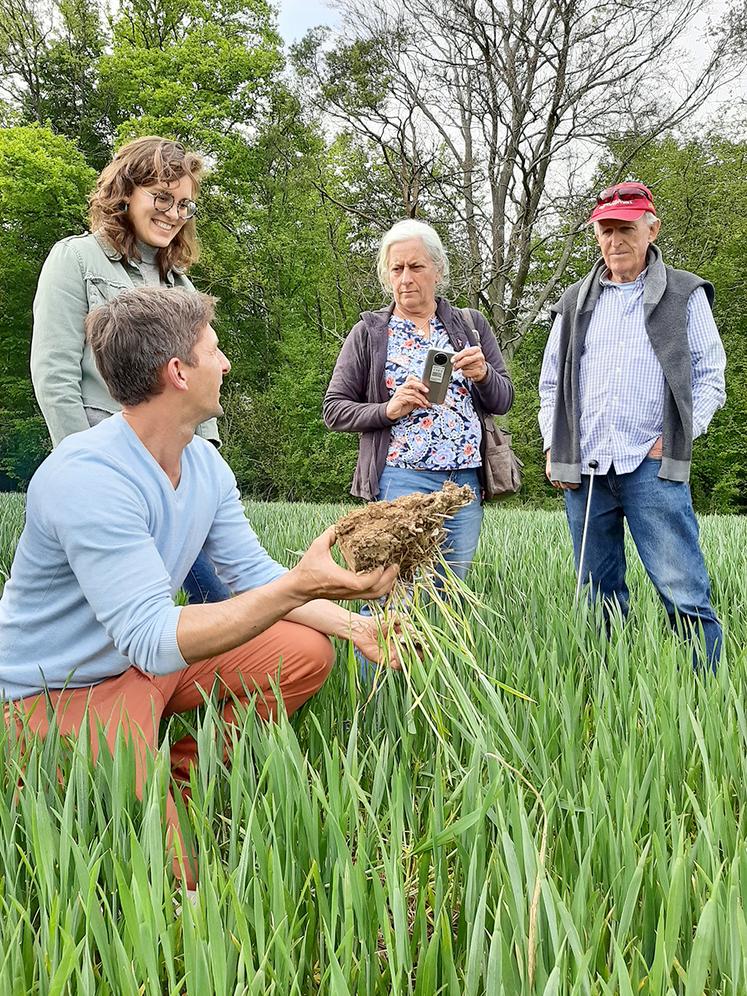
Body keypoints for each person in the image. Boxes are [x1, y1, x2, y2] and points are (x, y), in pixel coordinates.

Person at [1, 287, 400, 888]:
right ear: (178, 372)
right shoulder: (87, 476)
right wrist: (298, 587)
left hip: (143, 665)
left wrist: (356, 624)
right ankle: (87, 774)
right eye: (215, 350)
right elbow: (154, 639)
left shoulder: (206, 464)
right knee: (171, 882)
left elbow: (253, 576)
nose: (227, 364)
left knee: (305, 654)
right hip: (60, 689)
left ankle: (183, 776)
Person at [30, 135, 227, 604]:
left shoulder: (180, 284)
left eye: (185, 205)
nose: (174, 214)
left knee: (218, 594)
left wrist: (208, 462)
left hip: (173, 474)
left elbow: (196, 381)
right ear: (125, 193)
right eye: (162, 197)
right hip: (109, 469)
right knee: (89, 610)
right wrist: (80, 468)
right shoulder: (75, 258)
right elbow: (53, 374)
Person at [539, 181, 726, 666]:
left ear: (651, 229)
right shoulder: (574, 300)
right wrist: (552, 447)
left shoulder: (685, 292)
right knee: (596, 594)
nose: (615, 239)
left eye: (626, 228)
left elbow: (710, 378)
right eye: (606, 229)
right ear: (596, 235)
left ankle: (705, 694)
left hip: (652, 464)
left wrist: (678, 437)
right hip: (587, 469)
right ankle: (610, 691)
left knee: (682, 590)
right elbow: (551, 385)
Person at [323, 219, 514, 580]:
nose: (406, 278)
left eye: (416, 267)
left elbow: (504, 399)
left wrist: (484, 374)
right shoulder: (370, 333)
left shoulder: (469, 324)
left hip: (463, 483)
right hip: (400, 479)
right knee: (390, 590)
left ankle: (440, 641)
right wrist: (388, 409)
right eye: (396, 269)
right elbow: (334, 409)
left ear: (437, 270)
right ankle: (381, 639)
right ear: (387, 276)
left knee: (451, 590)